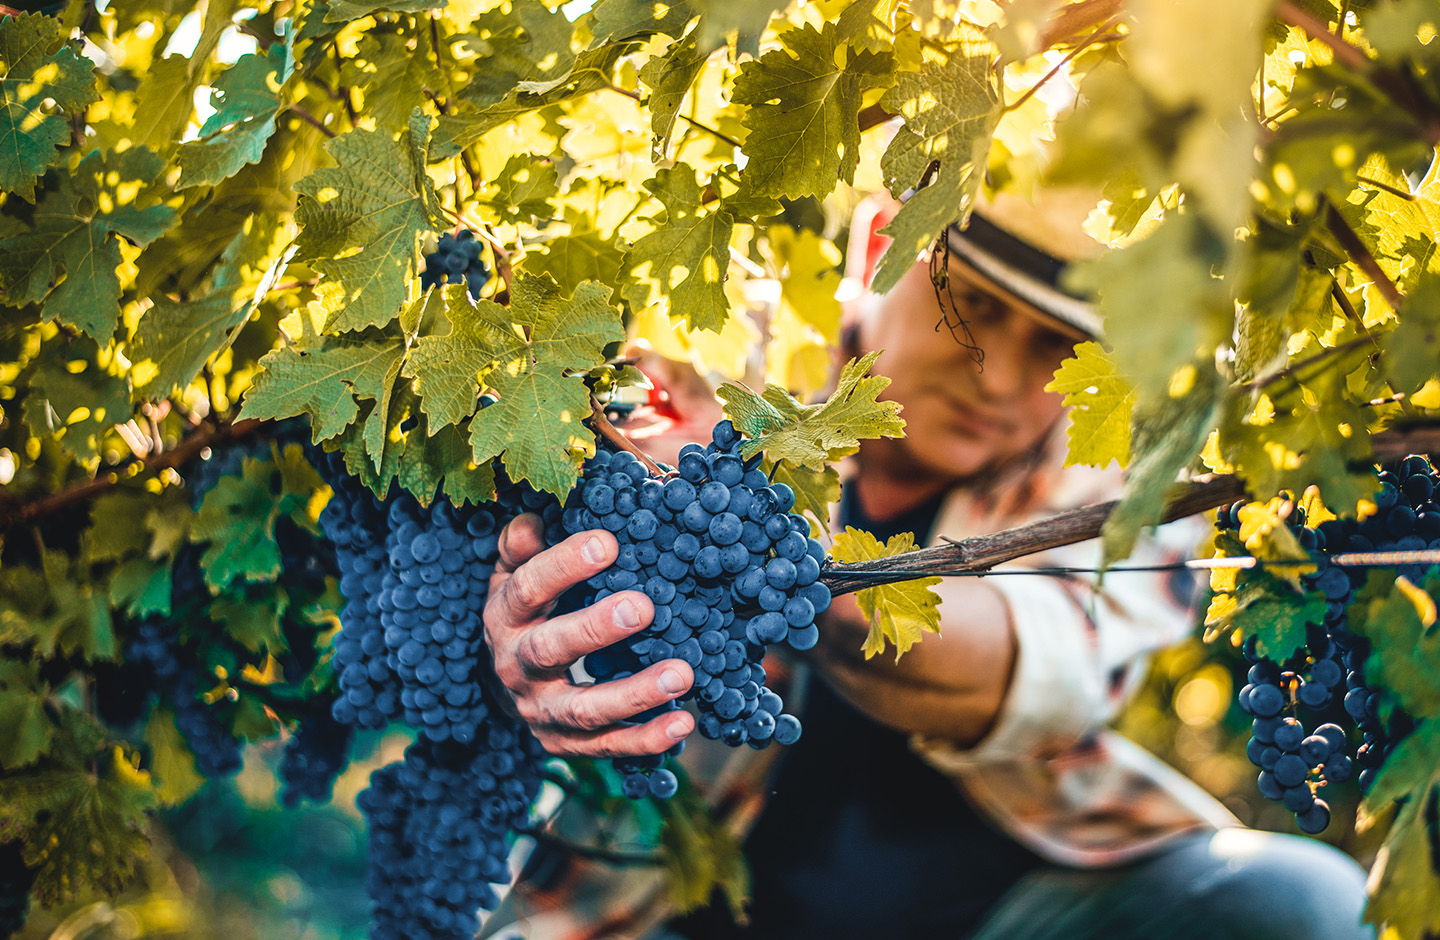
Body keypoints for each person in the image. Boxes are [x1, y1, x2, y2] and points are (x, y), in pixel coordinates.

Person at [479, 186, 1375, 940]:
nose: (998, 378)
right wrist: (545, 566)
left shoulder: (1127, 478)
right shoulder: (728, 354)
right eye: (973, 306)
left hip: (1001, 911)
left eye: (1058, 345)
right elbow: (615, 394)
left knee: (1300, 906)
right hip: (672, 910)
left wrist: (763, 538)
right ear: (880, 247)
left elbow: (1023, 682)